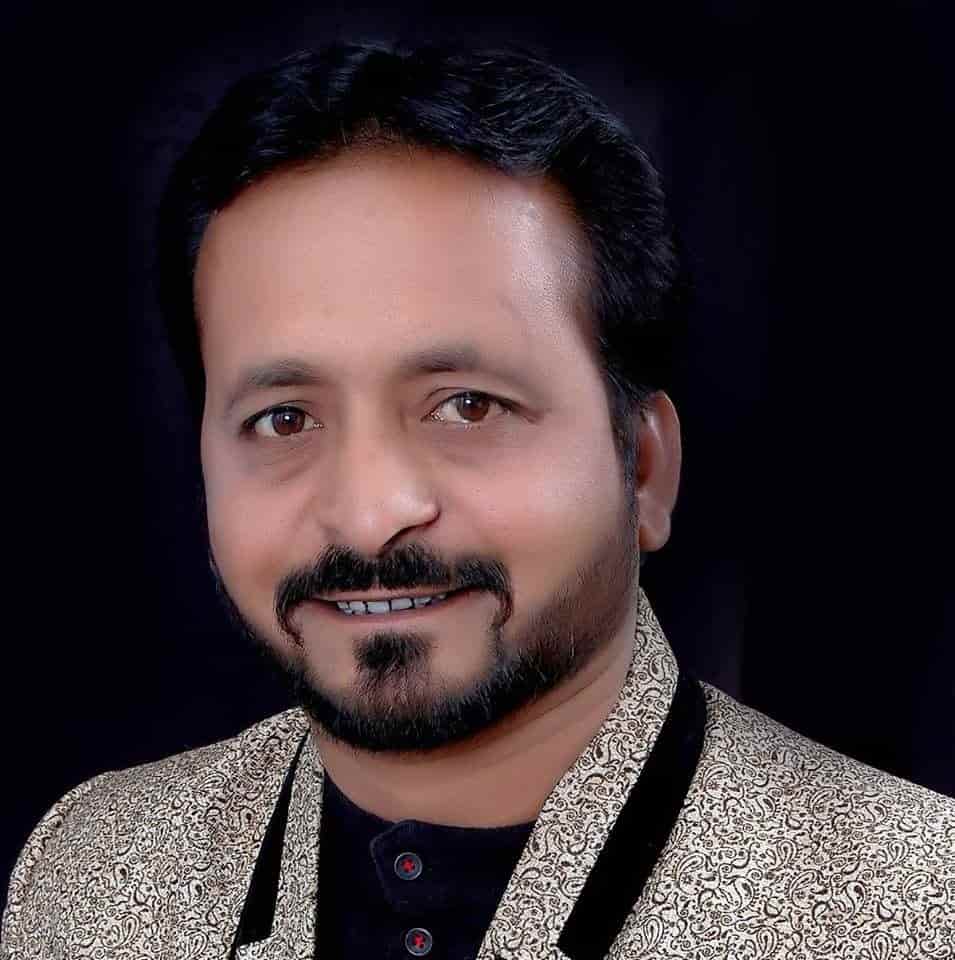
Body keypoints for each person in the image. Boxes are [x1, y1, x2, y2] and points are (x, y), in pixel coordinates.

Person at [2, 39, 952, 960]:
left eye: (466, 406)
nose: (369, 514)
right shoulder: (91, 873)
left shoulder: (912, 904)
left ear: (642, 466)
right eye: (285, 419)